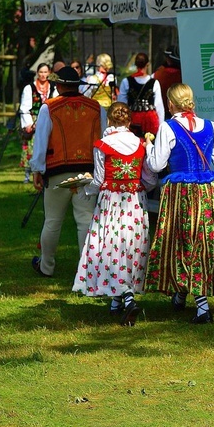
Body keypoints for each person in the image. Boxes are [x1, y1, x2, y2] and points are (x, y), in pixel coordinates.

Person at [144, 83, 214, 324]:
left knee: (183, 243)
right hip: (206, 191)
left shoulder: (168, 128)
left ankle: (201, 307)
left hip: (180, 195)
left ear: (171, 104)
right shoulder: (210, 127)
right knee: (201, 243)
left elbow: (156, 165)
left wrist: (149, 146)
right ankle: (181, 295)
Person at [72, 102, 157, 326]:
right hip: (135, 203)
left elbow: (99, 180)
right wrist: (137, 187)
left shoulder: (102, 145)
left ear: (109, 120)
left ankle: (127, 299)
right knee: (130, 248)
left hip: (111, 201)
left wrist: (83, 190)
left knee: (112, 247)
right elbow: (149, 179)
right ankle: (117, 301)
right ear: (129, 121)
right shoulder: (140, 143)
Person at [29, 66, 107, 277]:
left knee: (53, 221)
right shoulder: (96, 108)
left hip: (57, 171)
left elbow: (41, 142)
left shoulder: (49, 108)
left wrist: (37, 169)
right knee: (85, 220)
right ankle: (87, 271)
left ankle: (46, 266)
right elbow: (104, 142)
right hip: (87, 173)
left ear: (59, 85)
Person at [19, 63, 57, 183]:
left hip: (48, 119)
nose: (43, 75)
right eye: (41, 72)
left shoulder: (53, 88)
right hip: (33, 118)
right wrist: (29, 124)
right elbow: (24, 108)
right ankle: (28, 174)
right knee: (32, 146)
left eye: (45, 72)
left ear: (49, 73)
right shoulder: (30, 88)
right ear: (37, 73)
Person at [117, 52, 164, 137]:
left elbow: (121, 104)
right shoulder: (154, 82)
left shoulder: (126, 81)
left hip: (133, 119)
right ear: (148, 64)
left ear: (135, 64)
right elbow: (159, 106)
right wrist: (161, 127)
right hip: (150, 120)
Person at [153, 45, 182, 120]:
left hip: (163, 114)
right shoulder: (184, 74)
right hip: (182, 114)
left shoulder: (157, 75)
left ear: (168, 60)